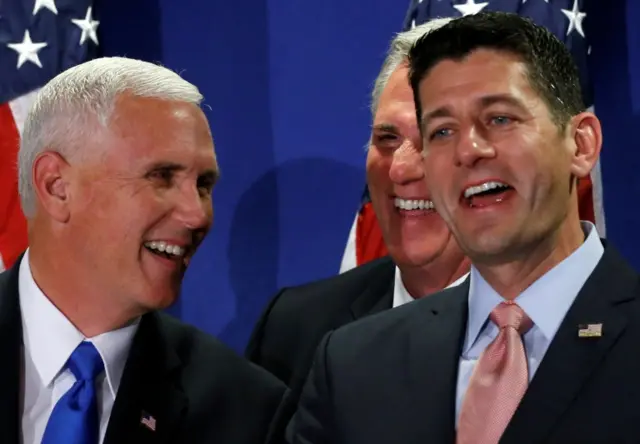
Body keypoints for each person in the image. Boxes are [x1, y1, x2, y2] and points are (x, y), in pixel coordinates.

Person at [287, 11, 640, 444]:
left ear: (581, 144)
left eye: (499, 118)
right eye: (442, 131)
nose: (468, 150)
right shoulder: (353, 363)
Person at [1, 56, 288, 444]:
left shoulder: (246, 410)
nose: (197, 215)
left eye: (203, 185)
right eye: (162, 177)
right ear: (56, 186)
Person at [245, 17, 470, 391]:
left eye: (436, 136)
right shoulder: (295, 329)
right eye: (386, 137)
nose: (400, 169)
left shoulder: (558, 322)